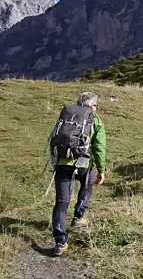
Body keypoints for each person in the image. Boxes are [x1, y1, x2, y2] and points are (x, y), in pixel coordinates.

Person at [50, 92, 107, 256]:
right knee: (87, 184)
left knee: (61, 201)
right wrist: (101, 170)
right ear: (93, 106)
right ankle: (78, 217)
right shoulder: (96, 121)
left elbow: (54, 138)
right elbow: (99, 148)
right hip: (84, 164)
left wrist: (56, 161)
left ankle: (60, 242)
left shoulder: (66, 118)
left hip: (62, 164)